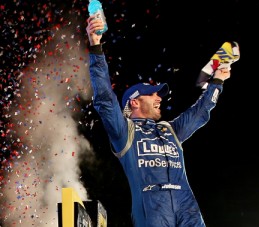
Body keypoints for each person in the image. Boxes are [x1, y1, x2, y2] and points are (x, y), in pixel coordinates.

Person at [86, 15, 231, 227]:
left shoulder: (170, 129)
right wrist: (95, 46)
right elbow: (105, 99)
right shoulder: (124, 132)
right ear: (135, 103)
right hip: (152, 206)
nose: (159, 98)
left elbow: (200, 112)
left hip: (186, 205)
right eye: (152, 94)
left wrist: (217, 81)